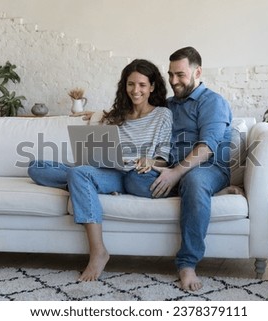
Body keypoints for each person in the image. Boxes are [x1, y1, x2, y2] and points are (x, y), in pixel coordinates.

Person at [28, 59, 172, 281]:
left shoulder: (163, 114)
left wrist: (151, 161)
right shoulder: (116, 115)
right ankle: (84, 184)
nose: (136, 90)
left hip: (136, 175)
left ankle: (98, 252)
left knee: (79, 174)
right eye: (131, 84)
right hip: (110, 171)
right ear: (124, 86)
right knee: (37, 168)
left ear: (152, 86)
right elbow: (97, 149)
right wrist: (98, 124)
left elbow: (164, 158)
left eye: (142, 85)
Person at [124, 47, 232, 291]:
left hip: (207, 168)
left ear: (198, 72)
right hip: (171, 168)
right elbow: (138, 113)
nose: (174, 81)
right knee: (132, 178)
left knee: (194, 183)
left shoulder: (212, 102)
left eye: (180, 75)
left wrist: (175, 173)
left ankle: (187, 263)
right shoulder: (168, 105)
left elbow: (206, 148)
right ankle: (199, 197)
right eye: (170, 74)